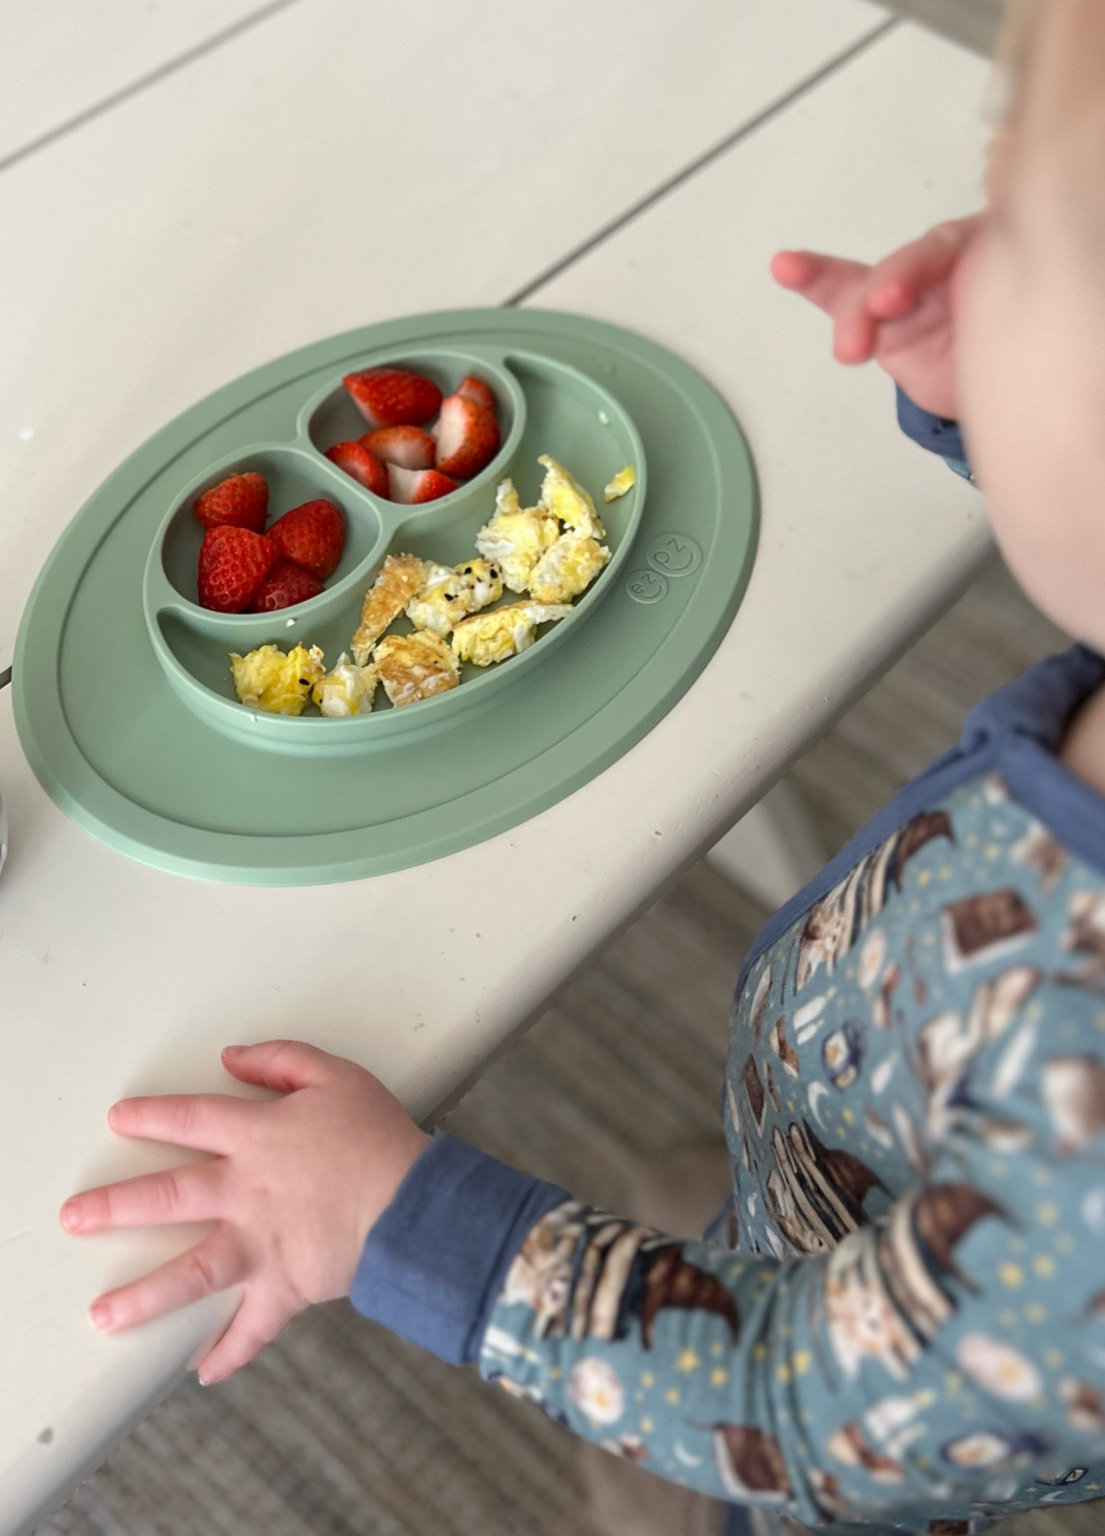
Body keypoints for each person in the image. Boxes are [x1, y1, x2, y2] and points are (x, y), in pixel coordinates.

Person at [58, 3, 1105, 1530]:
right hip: (866, 1140)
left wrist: (403, 1222)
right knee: (771, 1231)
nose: (966, 238)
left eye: (1021, 239)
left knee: (740, 1467)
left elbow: (802, 1411)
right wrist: (991, 417)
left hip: (845, 1444)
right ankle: (759, 1221)